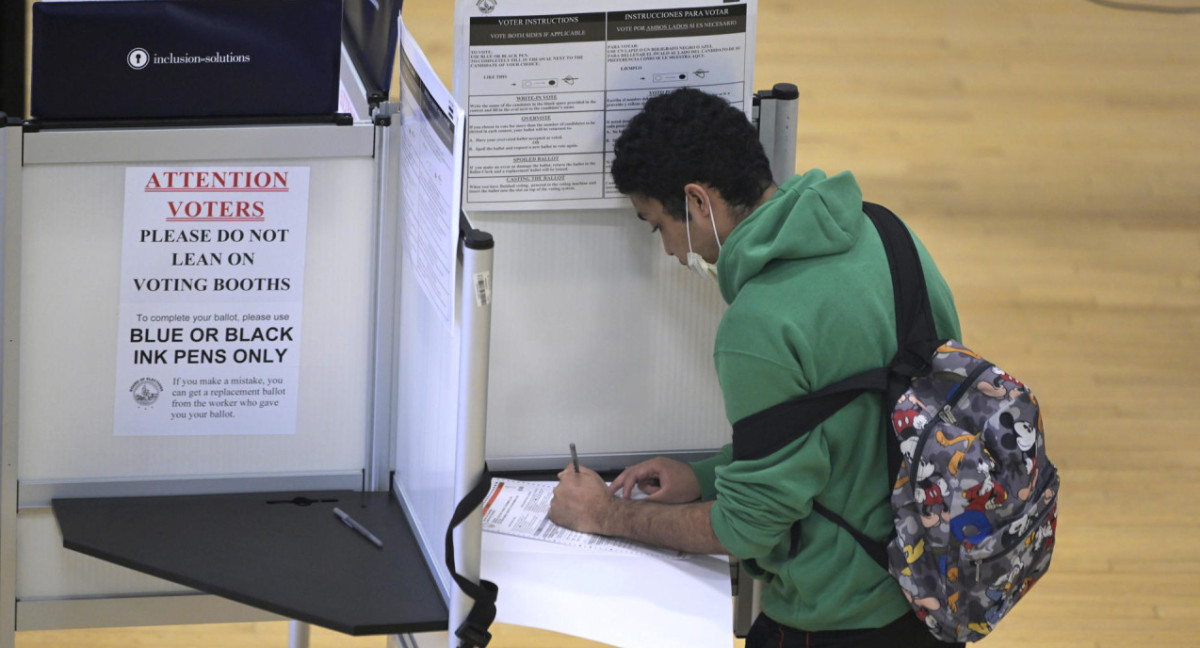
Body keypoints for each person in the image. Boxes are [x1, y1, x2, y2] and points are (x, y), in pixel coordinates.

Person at [547, 87, 964, 648]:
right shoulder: (887, 234)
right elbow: (860, 422)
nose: (669, 250)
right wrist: (704, 476)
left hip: (838, 621)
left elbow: (748, 528)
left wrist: (606, 515)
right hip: (935, 590)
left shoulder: (758, 326)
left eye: (657, 226)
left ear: (697, 202)